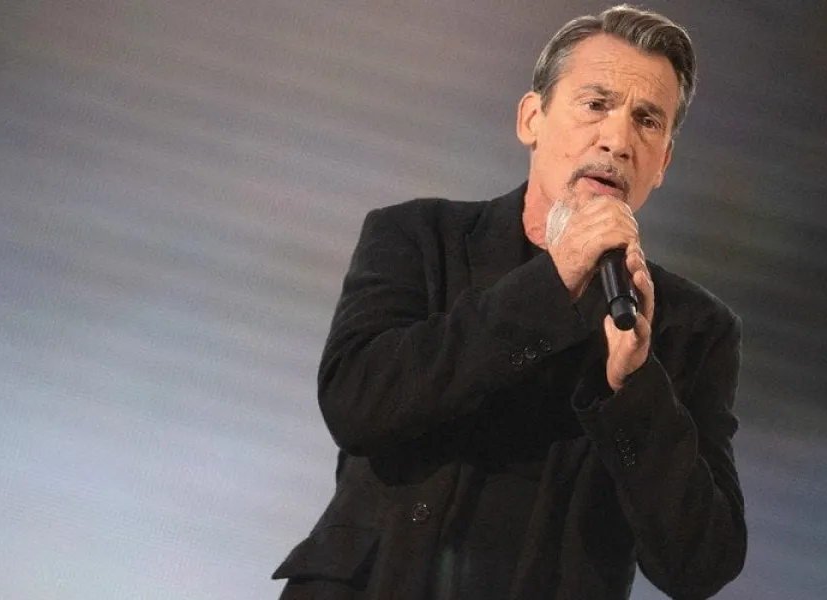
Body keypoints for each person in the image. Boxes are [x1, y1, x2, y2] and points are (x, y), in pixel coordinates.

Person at [272, 5, 746, 599]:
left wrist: (635, 389)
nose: (618, 140)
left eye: (648, 121)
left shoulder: (691, 329)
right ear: (531, 118)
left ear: (664, 162)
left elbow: (701, 564)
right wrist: (553, 280)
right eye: (595, 104)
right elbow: (356, 401)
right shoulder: (420, 237)